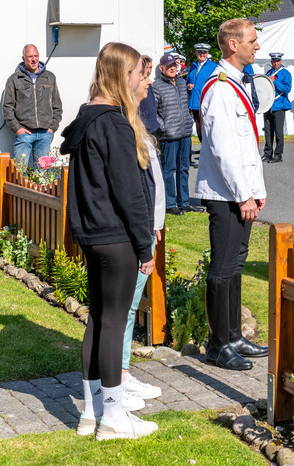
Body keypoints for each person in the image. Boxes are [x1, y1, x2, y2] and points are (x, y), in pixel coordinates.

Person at [61, 42, 157, 440]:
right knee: (114, 324)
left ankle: (90, 413)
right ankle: (114, 418)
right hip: (115, 236)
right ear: (122, 75)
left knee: (98, 320)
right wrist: (144, 246)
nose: (141, 78)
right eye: (137, 72)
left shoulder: (87, 118)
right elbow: (128, 192)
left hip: (92, 235)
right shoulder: (115, 124)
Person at [193, 18, 268, 371]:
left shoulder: (239, 83)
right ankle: (217, 344)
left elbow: (247, 146)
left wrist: (257, 190)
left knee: (236, 264)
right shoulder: (220, 88)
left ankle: (234, 336)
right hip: (225, 195)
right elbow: (224, 149)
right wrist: (243, 195)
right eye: (252, 40)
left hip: (240, 192)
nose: (257, 46)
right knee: (222, 269)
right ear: (233, 45)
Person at [121, 61, 164, 407]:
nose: (149, 81)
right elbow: (133, 191)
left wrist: (157, 222)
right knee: (126, 308)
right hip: (135, 233)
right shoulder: (123, 126)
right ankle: (118, 378)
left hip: (147, 227)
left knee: (128, 307)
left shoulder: (136, 121)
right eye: (144, 75)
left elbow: (153, 183)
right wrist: (145, 233)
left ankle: (119, 374)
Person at [152, 53, 198, 215]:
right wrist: (163, 127)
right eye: (169, 66)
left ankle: (184, 201)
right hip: (169, 135)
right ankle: (170, 203)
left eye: (174, 65)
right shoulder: (156, 86)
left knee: (184, 168)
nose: (173, 68)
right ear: (162, 68)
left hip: (184, 132)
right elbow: (154, 111)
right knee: (169, 169)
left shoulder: (180, 82)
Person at [3, 43, 63, 168]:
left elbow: (57, 104)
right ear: (23, 58)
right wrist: (18, 129)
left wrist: (52, 128)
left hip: (45, 133)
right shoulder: (14, 79)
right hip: (24, 133)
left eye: (36, 56)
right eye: (30, 56)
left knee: (42, 173)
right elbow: (7, 107)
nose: (34, 59)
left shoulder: (49, 77)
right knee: (20, 172)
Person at [262, 52, 291, 163]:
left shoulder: (285, 73)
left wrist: (276, 82)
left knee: (278, 132)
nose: (275, 63)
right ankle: (267, 153)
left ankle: (278, 155)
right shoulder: (269, 72)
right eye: (273, 61)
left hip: (279, 105)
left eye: (277, 61)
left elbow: (287, 89)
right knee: (268, 131)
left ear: (281, 61)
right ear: (271, 62)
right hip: (268, 105)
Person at [185, 43, 216, 126]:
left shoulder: (214, 67)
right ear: (196, 53)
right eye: (199, 52)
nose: (202, 54)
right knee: (199, 131)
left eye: (204, 52)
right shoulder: (193, 67)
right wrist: (187, 86)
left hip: (207, 105)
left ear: (207, 53)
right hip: (195, 105)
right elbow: (187, 81)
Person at [137, 56, 159, 134]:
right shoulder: (137, 86)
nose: (149, 70)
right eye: (147, 68)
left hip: (153, 128)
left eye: (151, 67)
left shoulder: (150, 84)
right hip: (143, 130)